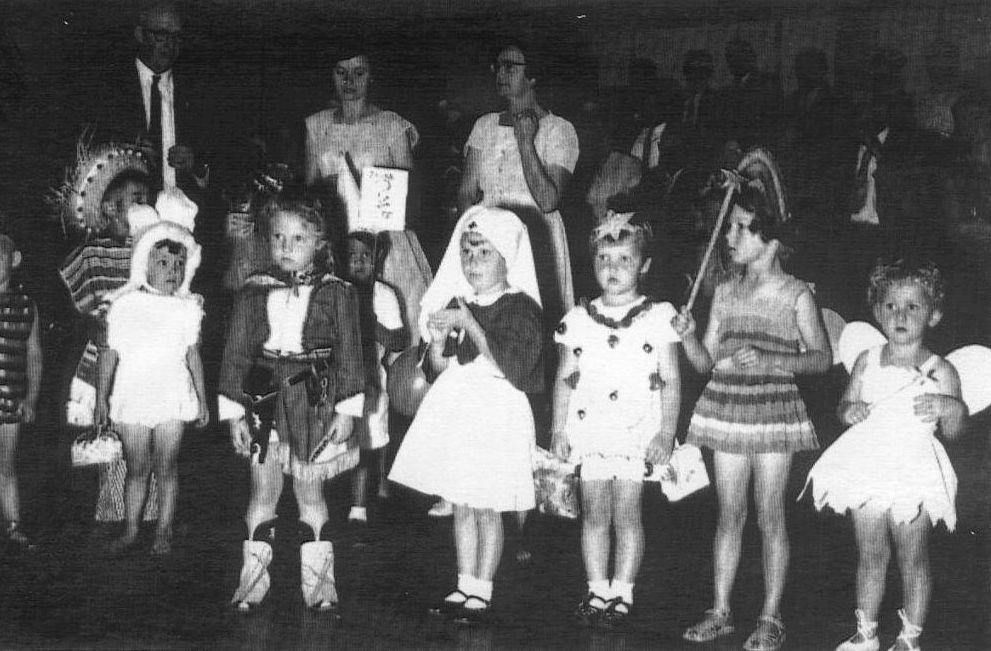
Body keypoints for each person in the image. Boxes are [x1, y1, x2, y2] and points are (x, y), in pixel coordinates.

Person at [673, 153, 831, 651]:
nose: (729, 237)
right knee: (728, 513)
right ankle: (720, 609)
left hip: (772, 411)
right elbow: (706, 364)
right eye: (730, 227)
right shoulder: (721, 291)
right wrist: (688, 337)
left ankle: (770, 615)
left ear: (774, 238)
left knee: (769, 514)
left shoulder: (795, 295)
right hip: (725, 406)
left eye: (742, 228)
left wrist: (772, 359)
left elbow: (822, 358)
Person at [388, 206, 543, 624]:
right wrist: (438, 342)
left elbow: (510, 365)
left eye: (484, 253)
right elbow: (441, 370)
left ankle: (483, 590)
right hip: (459, 408)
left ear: (507, 258)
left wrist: (467, 322)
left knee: (487, 505)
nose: (473, 262)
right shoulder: (461, 303)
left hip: (495, 410)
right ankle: (464, 584)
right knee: (460, 503)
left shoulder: (520, 307)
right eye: (467, 253)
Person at [803, 260, 966, 651]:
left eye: (913, 307)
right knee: (871, 554)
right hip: (869, 464)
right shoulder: (867, 360)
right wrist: (850, 411)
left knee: (913, 557)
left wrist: (948, 407)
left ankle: (909, 639)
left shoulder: (940, 369)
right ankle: (866, 632)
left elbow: (957, 429)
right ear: (877, 311)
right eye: (891, 306)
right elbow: (845, 406)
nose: (900, 315)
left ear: (934, 314)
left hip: (912, 468)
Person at [219, 194, 364, 612]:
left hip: (312, 400)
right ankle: (250, 586)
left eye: (297, 238)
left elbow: (351, 356)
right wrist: (234, 412)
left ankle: (320, 591)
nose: (285, 246)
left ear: (319, 241)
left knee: (310, 492)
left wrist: (347, 410)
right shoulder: (253, 291)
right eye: (278, 236)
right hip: (263, 396)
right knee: (262, 489)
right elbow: (236, 355)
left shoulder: (338, 293)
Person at [550, 211, 681, 628]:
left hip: (634, 430)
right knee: (593, 513)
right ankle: (595, 588)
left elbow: (672, 378)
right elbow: (565, 377)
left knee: (627, 513)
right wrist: (558, 427)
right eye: (604, 259)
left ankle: (622, 591)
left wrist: (666, 431)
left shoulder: (658, 317)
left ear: (643, 265)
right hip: (590, 430)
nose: (612, 269)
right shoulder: (577, 320)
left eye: (624, 259)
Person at [54, 142, 163, 525]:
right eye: (135, 200)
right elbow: (86, 308)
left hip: (151, 358)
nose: (143, 206)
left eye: (146, 199)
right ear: (111, 208)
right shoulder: (95, 252)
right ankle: (114, 513)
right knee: (113, 435)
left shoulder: (153, 249)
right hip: (111, 358)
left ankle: (148, 513)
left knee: (147, 435)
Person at [94, 202, 207, 555]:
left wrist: (202, 400)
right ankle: (130, 530)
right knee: (138, 467)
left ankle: (164, 530)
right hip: (133, 397)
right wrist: (101, 400)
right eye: (163, 263)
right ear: (144, 264)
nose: (172, 270)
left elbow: (193, 357)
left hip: (172, 396)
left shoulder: (188, 308)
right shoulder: (125, 306)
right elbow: (108, 355)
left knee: (167, 465)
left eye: (178, 264)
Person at [304, 45, 432, 346]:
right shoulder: (316, 125)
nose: (349, 81)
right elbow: (309, 191)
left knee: (393, 328)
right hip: (337, 240)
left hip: (383, 241)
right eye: (341, 72)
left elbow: (411, 192)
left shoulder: (391, 125)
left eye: (359, 73)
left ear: (372, 76)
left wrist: (370, 185)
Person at [458, 41, 580, 323]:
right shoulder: (484, 125)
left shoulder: (559, 129)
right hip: (487, 237)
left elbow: (548, 200)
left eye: (510, 67)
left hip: (536, 236)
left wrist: (526, 142)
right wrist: (473, 233)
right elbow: (465, 192)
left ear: (533, 76)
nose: (500, 73)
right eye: (497, 67)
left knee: (534, 322)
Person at [87, 2, 210, 198]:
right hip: (125, 219)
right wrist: (122, 155)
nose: (170, 44)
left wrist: (197, 166)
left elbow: (221, 164)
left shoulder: (200, 93)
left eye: (177, 37)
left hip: (183, 221)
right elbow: (86, 156)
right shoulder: (105, 89)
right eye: (161, 35)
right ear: (140, 34)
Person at [343, 230, 407, 525]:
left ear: (376, 260)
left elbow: (398, 341)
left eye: (365, 257)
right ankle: (357, 502)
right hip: (341, 378)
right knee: (354, 439)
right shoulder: (336, 290)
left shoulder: (384, 294)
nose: (358, 263)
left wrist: (371, 324)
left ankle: (372, 491)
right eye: (352, 257)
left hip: (373, 379)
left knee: (373, 438)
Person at [0, 234, 42, 550]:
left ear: (14, 261)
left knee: (7, 465)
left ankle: (14, 526)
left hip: (10, 399)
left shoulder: (27, 306)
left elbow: (34, 355)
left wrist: (31, 398)